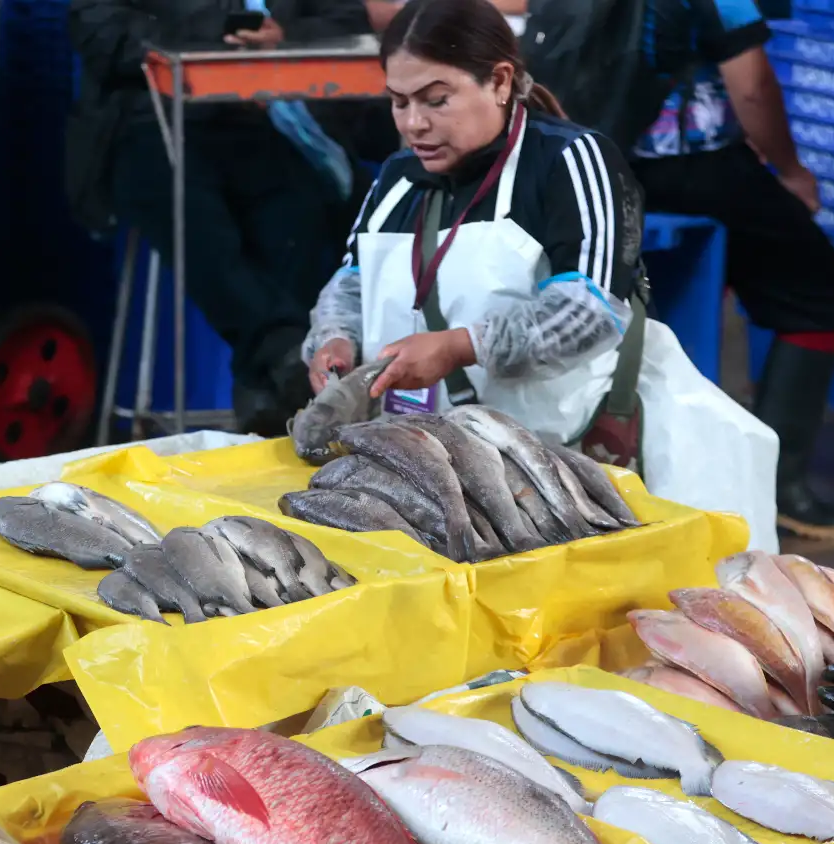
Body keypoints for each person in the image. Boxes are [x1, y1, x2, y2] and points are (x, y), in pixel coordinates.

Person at [303, 0, 778, 547]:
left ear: (500, 81)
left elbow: (590, 309)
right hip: (432, 471)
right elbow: (352, 281)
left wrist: (461, 346)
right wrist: (335, 338)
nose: (414, 123)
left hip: (569, 468)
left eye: (437, 99)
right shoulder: (399, 177)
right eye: (399, 102)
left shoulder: (572, 161)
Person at [68, 0, 371, 433]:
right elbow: (97, 30)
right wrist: (218, 37)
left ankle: (274, 387)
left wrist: (283, 38)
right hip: (147, 120)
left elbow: (348, 20)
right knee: (188, 209)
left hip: (262, 122)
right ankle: (282, 357)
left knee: (298, 206)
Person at [625, 0, 834, 540]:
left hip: (608, 166)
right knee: (818, 286)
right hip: (694, 168)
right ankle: (778, 488)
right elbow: (751, 87)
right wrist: (792, 171)